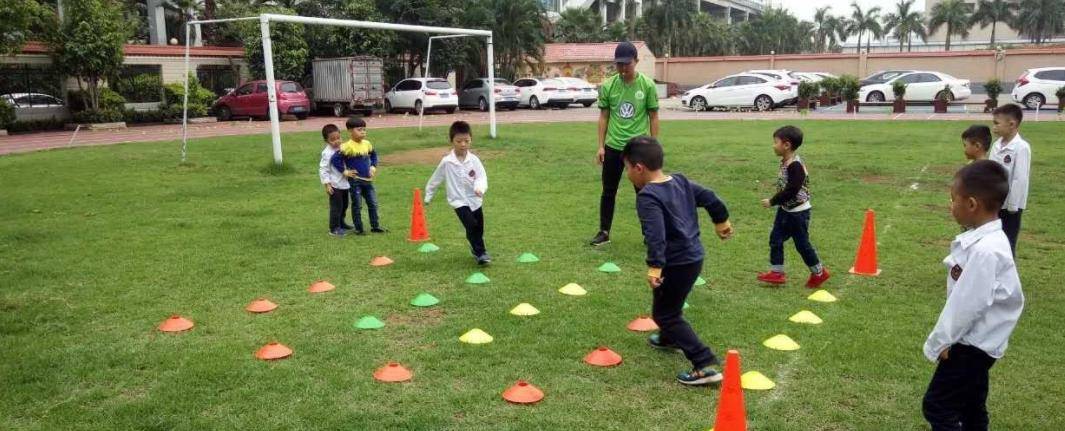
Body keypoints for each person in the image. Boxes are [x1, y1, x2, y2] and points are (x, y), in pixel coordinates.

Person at [922, 160, 1024, 431]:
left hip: (971, 344)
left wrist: (940, 341)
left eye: (953, 199)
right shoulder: (982, 241)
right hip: (980, 342)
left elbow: (967, 304)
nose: (949, 205)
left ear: (971, 204)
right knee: (971, 405)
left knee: (938, 406)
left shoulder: (987, 251)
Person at [623, 135, 733, 386]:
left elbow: (656, 234)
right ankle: (669, 338)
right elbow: (711, 198)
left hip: (674, 262)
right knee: (669, 302)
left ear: (639, 168)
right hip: (694, 257)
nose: (627, 174)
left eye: (627, 169)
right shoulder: (681, 181)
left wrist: (655, 266)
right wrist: (721, 221)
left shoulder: (648, 196)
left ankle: (704, 364)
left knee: (665, 313)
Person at [589, 41, 660, 247]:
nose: (623, 68)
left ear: (636, 61)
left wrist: (653, 145)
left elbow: (653, 116)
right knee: (608, 191)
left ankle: (649, 234)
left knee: (644, 193)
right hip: (613, 147)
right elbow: (604, 117)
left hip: (638, 149)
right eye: (619, 64)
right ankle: (604, 232)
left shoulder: (646, 85)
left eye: (626, 64)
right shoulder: (610, 85)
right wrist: (601, 145)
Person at [756, 126, 830, 288]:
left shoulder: (795, 165)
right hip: (786, 210)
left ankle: (819, 272)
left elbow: (791, 190)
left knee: (802, 244)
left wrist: (772, 201)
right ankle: (777, 273)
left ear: (786, 145)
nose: (773, 145)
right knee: (775, 239)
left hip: (798, 213)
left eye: (775, 142)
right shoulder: (786, 162)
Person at [424, 121, 491, 265]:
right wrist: (428, 195)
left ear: (471, 140)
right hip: (458, 201)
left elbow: (481, 176)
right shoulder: (447, 162)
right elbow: (436, 179)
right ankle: (481, 253)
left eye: (466, 141)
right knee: (471, 225)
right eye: (459, 141)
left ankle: (475, 247)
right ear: (452, 141)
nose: (463, 144)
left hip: (475, 200)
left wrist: (480, 188)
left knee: (478, 227)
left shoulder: (474, 160)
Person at [331, 117, 386, 235]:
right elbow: (335, 159)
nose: (363, 132)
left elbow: (374, 155)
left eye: (364, 129)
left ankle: (375, 226)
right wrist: (344, 171)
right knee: (357, 205)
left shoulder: (367, 144)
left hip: (368, 181)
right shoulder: (346, 146)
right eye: (359, 129)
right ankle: (359, 229)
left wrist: (373, 167)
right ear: (350, 131)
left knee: (373, 203)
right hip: (355, 181)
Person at [988, 104, 1030, 255]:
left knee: (1008, 241)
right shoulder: (996, 146)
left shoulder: (1021, 147)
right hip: (995, 203)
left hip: (1011, 207)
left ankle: (1007, 276)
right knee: (993, 241)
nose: (994, 127)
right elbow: (991, 173)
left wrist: (1012, 205)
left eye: (997, 123)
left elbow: (1020, 179)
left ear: (1011, 124)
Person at [319, 124, 352, 236]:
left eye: (338, 138)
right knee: (336, 207)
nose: (336, 141)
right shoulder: (327, 153)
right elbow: (324, 169)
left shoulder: (342, 148)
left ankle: (341, 223)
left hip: (344, 183)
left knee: (345, 205)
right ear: (326, 141)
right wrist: (327, 185)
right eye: (332, 139)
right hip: (334, 185)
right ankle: (334, 228)